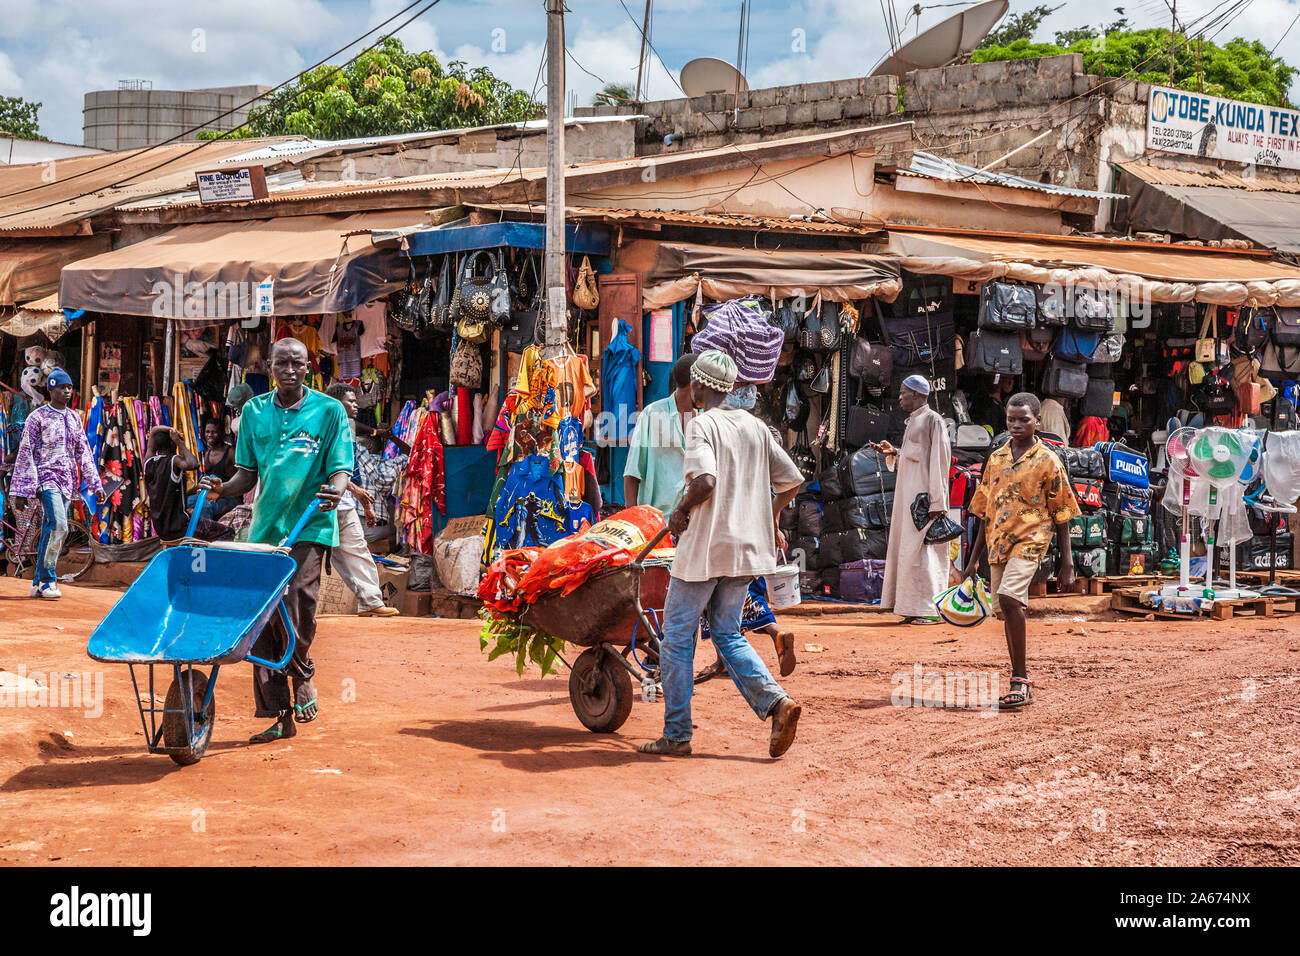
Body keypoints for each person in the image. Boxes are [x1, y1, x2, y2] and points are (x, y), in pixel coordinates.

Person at [639, 350, 805, 759]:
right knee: (728, 634)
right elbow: (792, 482)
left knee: (677, 639)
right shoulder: (755, 426)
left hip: (705, 551)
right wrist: (770, 516)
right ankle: (777, 703)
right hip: (746, 551)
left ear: (697, 386)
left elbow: (706, 481)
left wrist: (679, 511)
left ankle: (677, 735)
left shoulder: (702, 425)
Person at [199, 338, 353, 743]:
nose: (289, 370)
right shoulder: (253, 411)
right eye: (281, 363)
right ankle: (279, 712)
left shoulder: (329, 411)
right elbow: (245, 475)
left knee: (299, 606)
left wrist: (336, 489)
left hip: (311, 525)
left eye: (297, 363)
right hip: (265, 529)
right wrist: (221, 488)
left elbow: (341, 469)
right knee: (262, 618)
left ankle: (301, 673)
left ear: (308, 367)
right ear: (269, 366)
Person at [962, 393, 1079, 709]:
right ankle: (1019, 677)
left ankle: (1020, 678)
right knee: (1004, 608)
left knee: (1012, 598)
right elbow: (984, 512)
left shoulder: (1047, 461)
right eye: (1011, 419)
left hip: (1032, 540)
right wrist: (972, 563)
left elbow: (1063, 512)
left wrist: (1067, 563)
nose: (1016, 425)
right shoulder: (997, 459)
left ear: (1037, 421)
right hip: (999, 543)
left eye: (1023, 419)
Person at [10, 368, 106, 600]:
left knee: (51, 527)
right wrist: (22, 491)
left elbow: (83, 453)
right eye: (61, 387)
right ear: (50, 389)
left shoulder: (73, 418)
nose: (66, 391)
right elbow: (25, 453)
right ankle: (47, 579)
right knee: (60, 526)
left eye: (69, 387)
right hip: (45, 479)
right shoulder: (37, 417)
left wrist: (96, 484)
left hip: (66, 482)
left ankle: (38, 582)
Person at [878, 375, 952, 624]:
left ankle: (929, 610)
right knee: (909, 553)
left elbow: (940, 462)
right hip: (908, 499)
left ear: (918, 395)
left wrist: (938, 502)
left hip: (925, 501)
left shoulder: (933, 421)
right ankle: (910, 607)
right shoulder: (913, 422)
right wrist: (894, 452)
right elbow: (915, 458)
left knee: (925, 554)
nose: (900, 397)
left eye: (903, 393)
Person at [324, 383, 399, 618]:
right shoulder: (326, 426)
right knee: (310, 555)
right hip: (324, 500)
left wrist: (358, 497)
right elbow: (328, 467)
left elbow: (344, 469)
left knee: (357, 551)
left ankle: (370, 601)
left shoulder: (348, 428)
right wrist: (357, 492)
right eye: (351, 400)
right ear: (337, 403)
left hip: (343, 502)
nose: (356, 404)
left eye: (356, 400)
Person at [624, 354, 697, 514]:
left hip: (695, 524)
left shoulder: (705, 418)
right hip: (658, 522)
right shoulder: (651, 414)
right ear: (694, 385)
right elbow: (632, 473)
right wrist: (632, 519)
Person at [144, 426, 201, 546]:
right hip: (179, 528)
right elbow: (194, 464)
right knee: (224, 531)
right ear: (172, 444)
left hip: (161, 529)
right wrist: (180, 443)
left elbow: (154, 430)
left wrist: (171, 430)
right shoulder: (174, 461)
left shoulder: (148, 462)